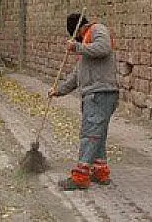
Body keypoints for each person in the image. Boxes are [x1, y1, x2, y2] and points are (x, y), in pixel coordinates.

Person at [49, 13, 119, 190]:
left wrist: (78, 47)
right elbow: (76, 75)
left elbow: (104, 48)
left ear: (78, 31)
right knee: (98, 135)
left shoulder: (97, 30)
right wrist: (58, 91)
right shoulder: (85, 46)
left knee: (90, 135)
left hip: (100, 93)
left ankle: (80, 176)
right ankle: (100, 171)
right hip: (96, 94)